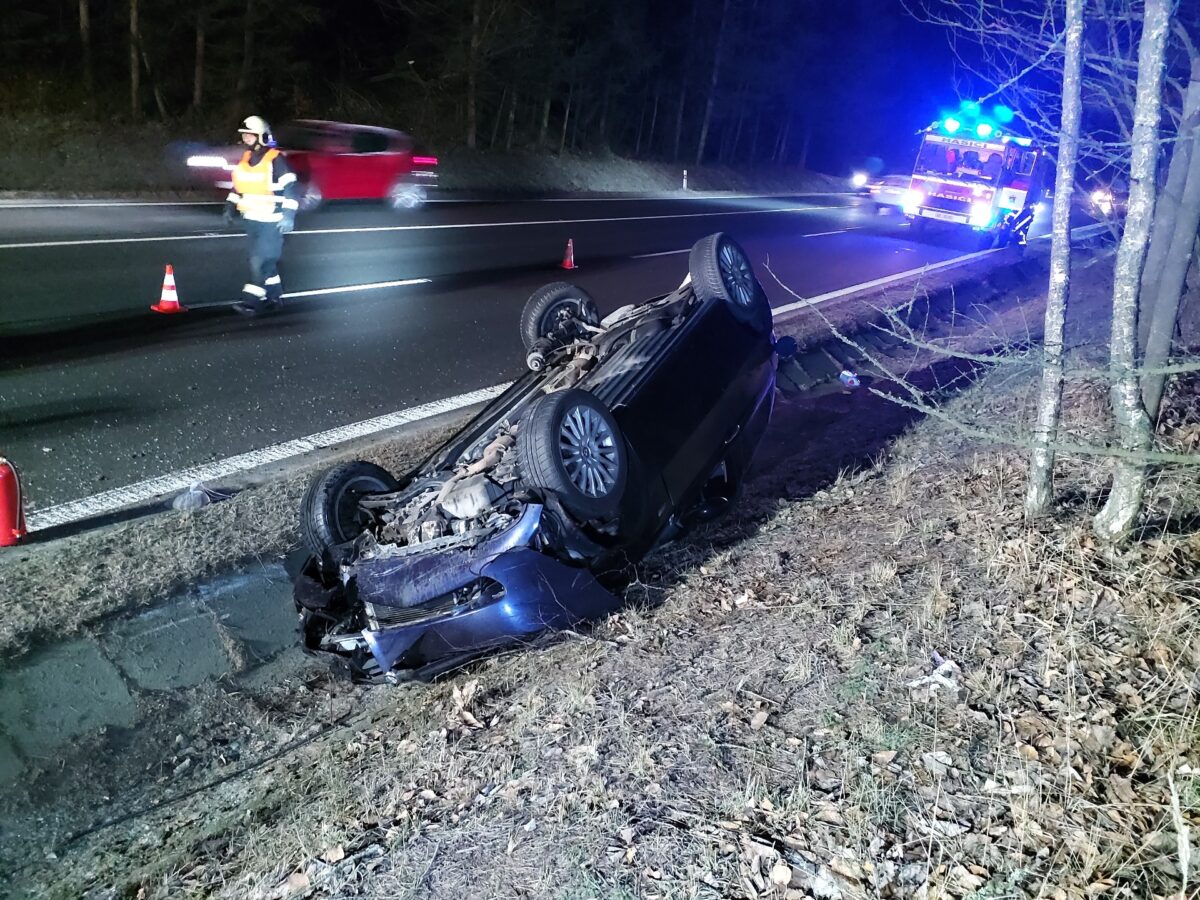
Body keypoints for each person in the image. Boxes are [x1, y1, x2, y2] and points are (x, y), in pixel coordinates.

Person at [226, 116, 299, 317]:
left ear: (261, 136)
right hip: (252, 219)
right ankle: (275, 298)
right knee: (265, 263)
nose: (246, 138)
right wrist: (229, 206)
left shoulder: (275, 158)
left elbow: (291, 188)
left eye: (250, 134)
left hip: (272, 221)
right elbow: (239, 186)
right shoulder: (246, 159)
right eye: (244, 135)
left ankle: (250, 302)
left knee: (259, 262)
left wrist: (288, 216)